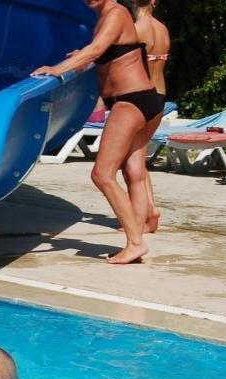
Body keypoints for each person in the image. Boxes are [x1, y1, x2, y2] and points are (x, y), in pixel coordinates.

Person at [32, 0, 163, 264]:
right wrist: (82, 56)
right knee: (134, 173)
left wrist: (56, 70)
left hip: (130, 100)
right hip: (143, 98)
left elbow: (97, 50)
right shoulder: (105, 16)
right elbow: (107, 53)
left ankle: (136, 243)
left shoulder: (116, 13)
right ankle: (138, 233)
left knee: (102, 174)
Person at [132, 0, 170, 232]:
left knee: (132, 161)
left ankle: (140, 218)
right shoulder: (162, 29)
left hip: (141, 95)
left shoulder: (138, 28)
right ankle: (150, 211)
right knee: (139, 155)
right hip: (160, 94)